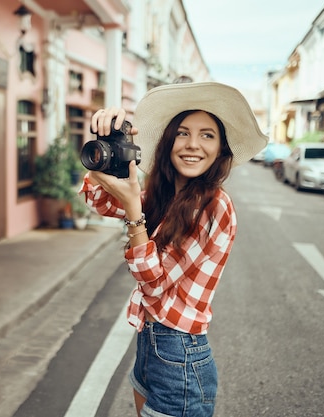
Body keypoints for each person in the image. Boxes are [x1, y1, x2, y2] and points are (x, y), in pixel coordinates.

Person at [79, 82, 267, 417]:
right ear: (168, 142)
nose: (193, 144)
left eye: (207, 135)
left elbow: (153, 281)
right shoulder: (163, 195)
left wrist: (135, 213)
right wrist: (105, 145)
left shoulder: (214, 206)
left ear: (222, 149)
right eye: (182, 133)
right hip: (150, 345)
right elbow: (99, 201)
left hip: (180, 357)